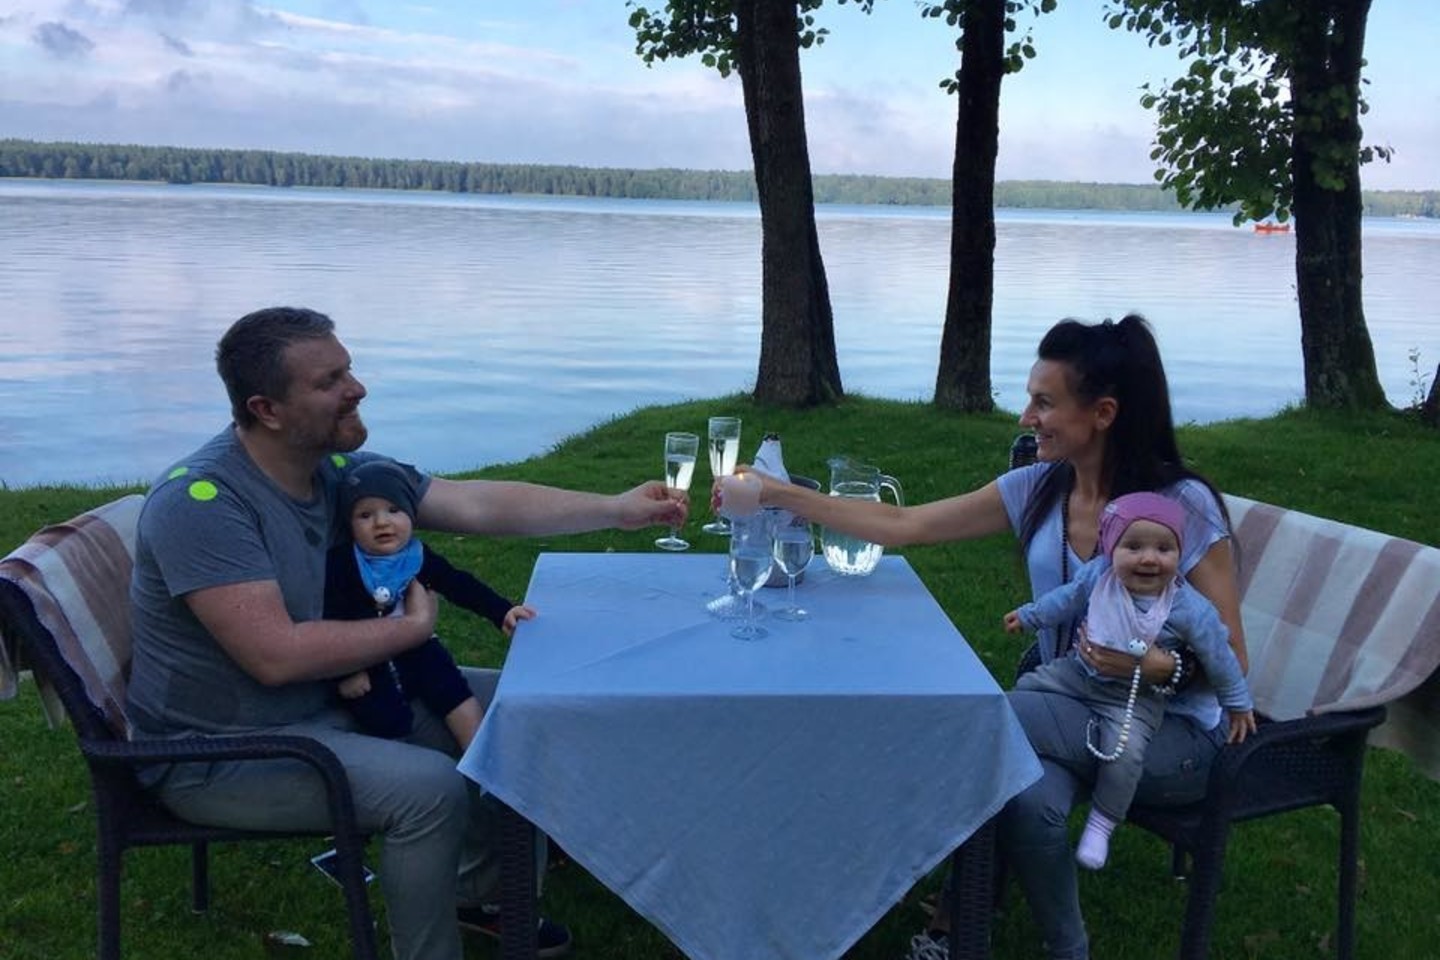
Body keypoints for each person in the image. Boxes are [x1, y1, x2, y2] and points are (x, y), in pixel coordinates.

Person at [126, 306, 686, 960]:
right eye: (330, 381)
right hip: (224, 751)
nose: (357, 388)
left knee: (529, 706)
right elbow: (275, 656)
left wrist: (615, 509)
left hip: (335, 698)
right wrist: (413, 629)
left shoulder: (336, 475)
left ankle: (480, 896)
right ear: (266, 409)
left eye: (349, 370)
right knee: (428, 792)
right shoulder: (205, 504)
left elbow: (475, 502)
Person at [727, 315, 1247, 960]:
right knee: (1027, 798)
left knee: (980, 723)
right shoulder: (1040, 487)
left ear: (1103, 413)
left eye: (1044, 402)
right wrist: (779, 494)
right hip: (1069, 711)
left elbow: (1231, 657)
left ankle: (874, 887)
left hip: (1174, 737)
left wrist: (1155, 665)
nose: (1027, 417)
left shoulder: (1180, 505)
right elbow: (906, 524)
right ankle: (1058, 947)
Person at [1003, 490, 1255, 871]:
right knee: (1029, 688)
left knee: (1125, 754)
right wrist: (1030, 615)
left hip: (1135, 696)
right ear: (1110, 548)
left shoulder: (1189, 608)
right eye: (1134, 547)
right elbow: (1066, 599)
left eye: (1164, 548)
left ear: (1179, 553)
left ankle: (1102, 823)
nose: (1149, 558)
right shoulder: (1099, 575)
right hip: (1078, 673)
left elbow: (1221, 657)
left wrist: (1237, 702)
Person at [326, 458, 536, 750]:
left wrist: (501, 610)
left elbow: (458, 584)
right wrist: (346, 670)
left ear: (411, 514)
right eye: (365, 515)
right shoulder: (342, 564)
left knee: (454, 693)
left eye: (394, 510)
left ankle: (479, 753)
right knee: (379, 712)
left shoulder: (417, 557)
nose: (382, 522)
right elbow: (330, 618)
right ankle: (404, 757)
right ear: (349, 524)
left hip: (419, 647)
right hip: (365, 656)